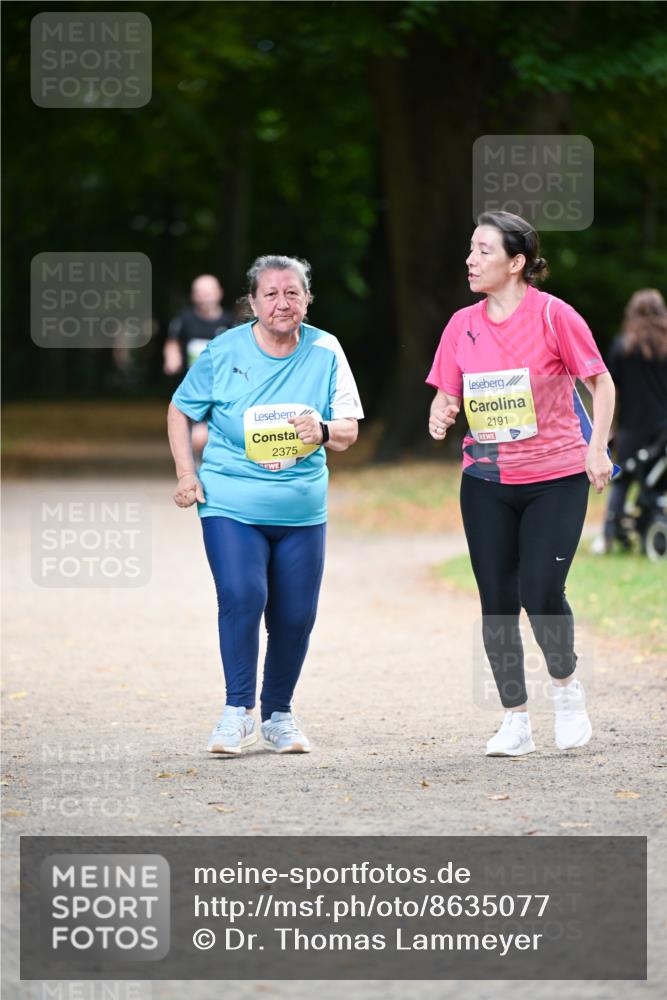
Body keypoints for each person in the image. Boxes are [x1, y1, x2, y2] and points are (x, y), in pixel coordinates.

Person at [426, 210, 615, 757]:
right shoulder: (461, 324)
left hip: (555, 477)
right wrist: (441, 412)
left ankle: (566, 688)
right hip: (485, 479)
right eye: (470, 248)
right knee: (498, 601)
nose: (471, 259)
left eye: (484, 251)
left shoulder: (556, 317)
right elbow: (447, 393)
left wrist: (596, 447)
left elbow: (600, 385)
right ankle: (514, 719)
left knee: (540, 590)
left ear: (517, 263)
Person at [167, 255, 363, 755]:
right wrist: (187, 473)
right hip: (230, 498)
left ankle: (278, 715)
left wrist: (320, 430)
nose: (282, 302)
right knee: (242, 594)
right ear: (252, 302)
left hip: (301, 509)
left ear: (307, 299)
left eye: (292, 293)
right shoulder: (223, 350)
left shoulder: (326, 350)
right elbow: (180, 408)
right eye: (271, 294)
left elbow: (348, 430)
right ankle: (236, 713)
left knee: (295, 615)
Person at [598, 289, 667, 551]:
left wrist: (610, 426)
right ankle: (651, 526)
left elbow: (610, 388)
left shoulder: (623, 346)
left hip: (631, 426)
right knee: (658, 481)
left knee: (623, 480)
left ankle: (608, 535)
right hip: (663, 430)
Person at [163, 274, 236, 457]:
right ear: (193, 296)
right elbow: (172, 343)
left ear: (219, 293)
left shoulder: (230, 322)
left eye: (209, 292)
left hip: (225, 389)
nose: (205, 297)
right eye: (200, 293)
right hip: (196, 389)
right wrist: (172, 358)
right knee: (198, 437)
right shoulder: (184, 320)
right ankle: (199, 467)